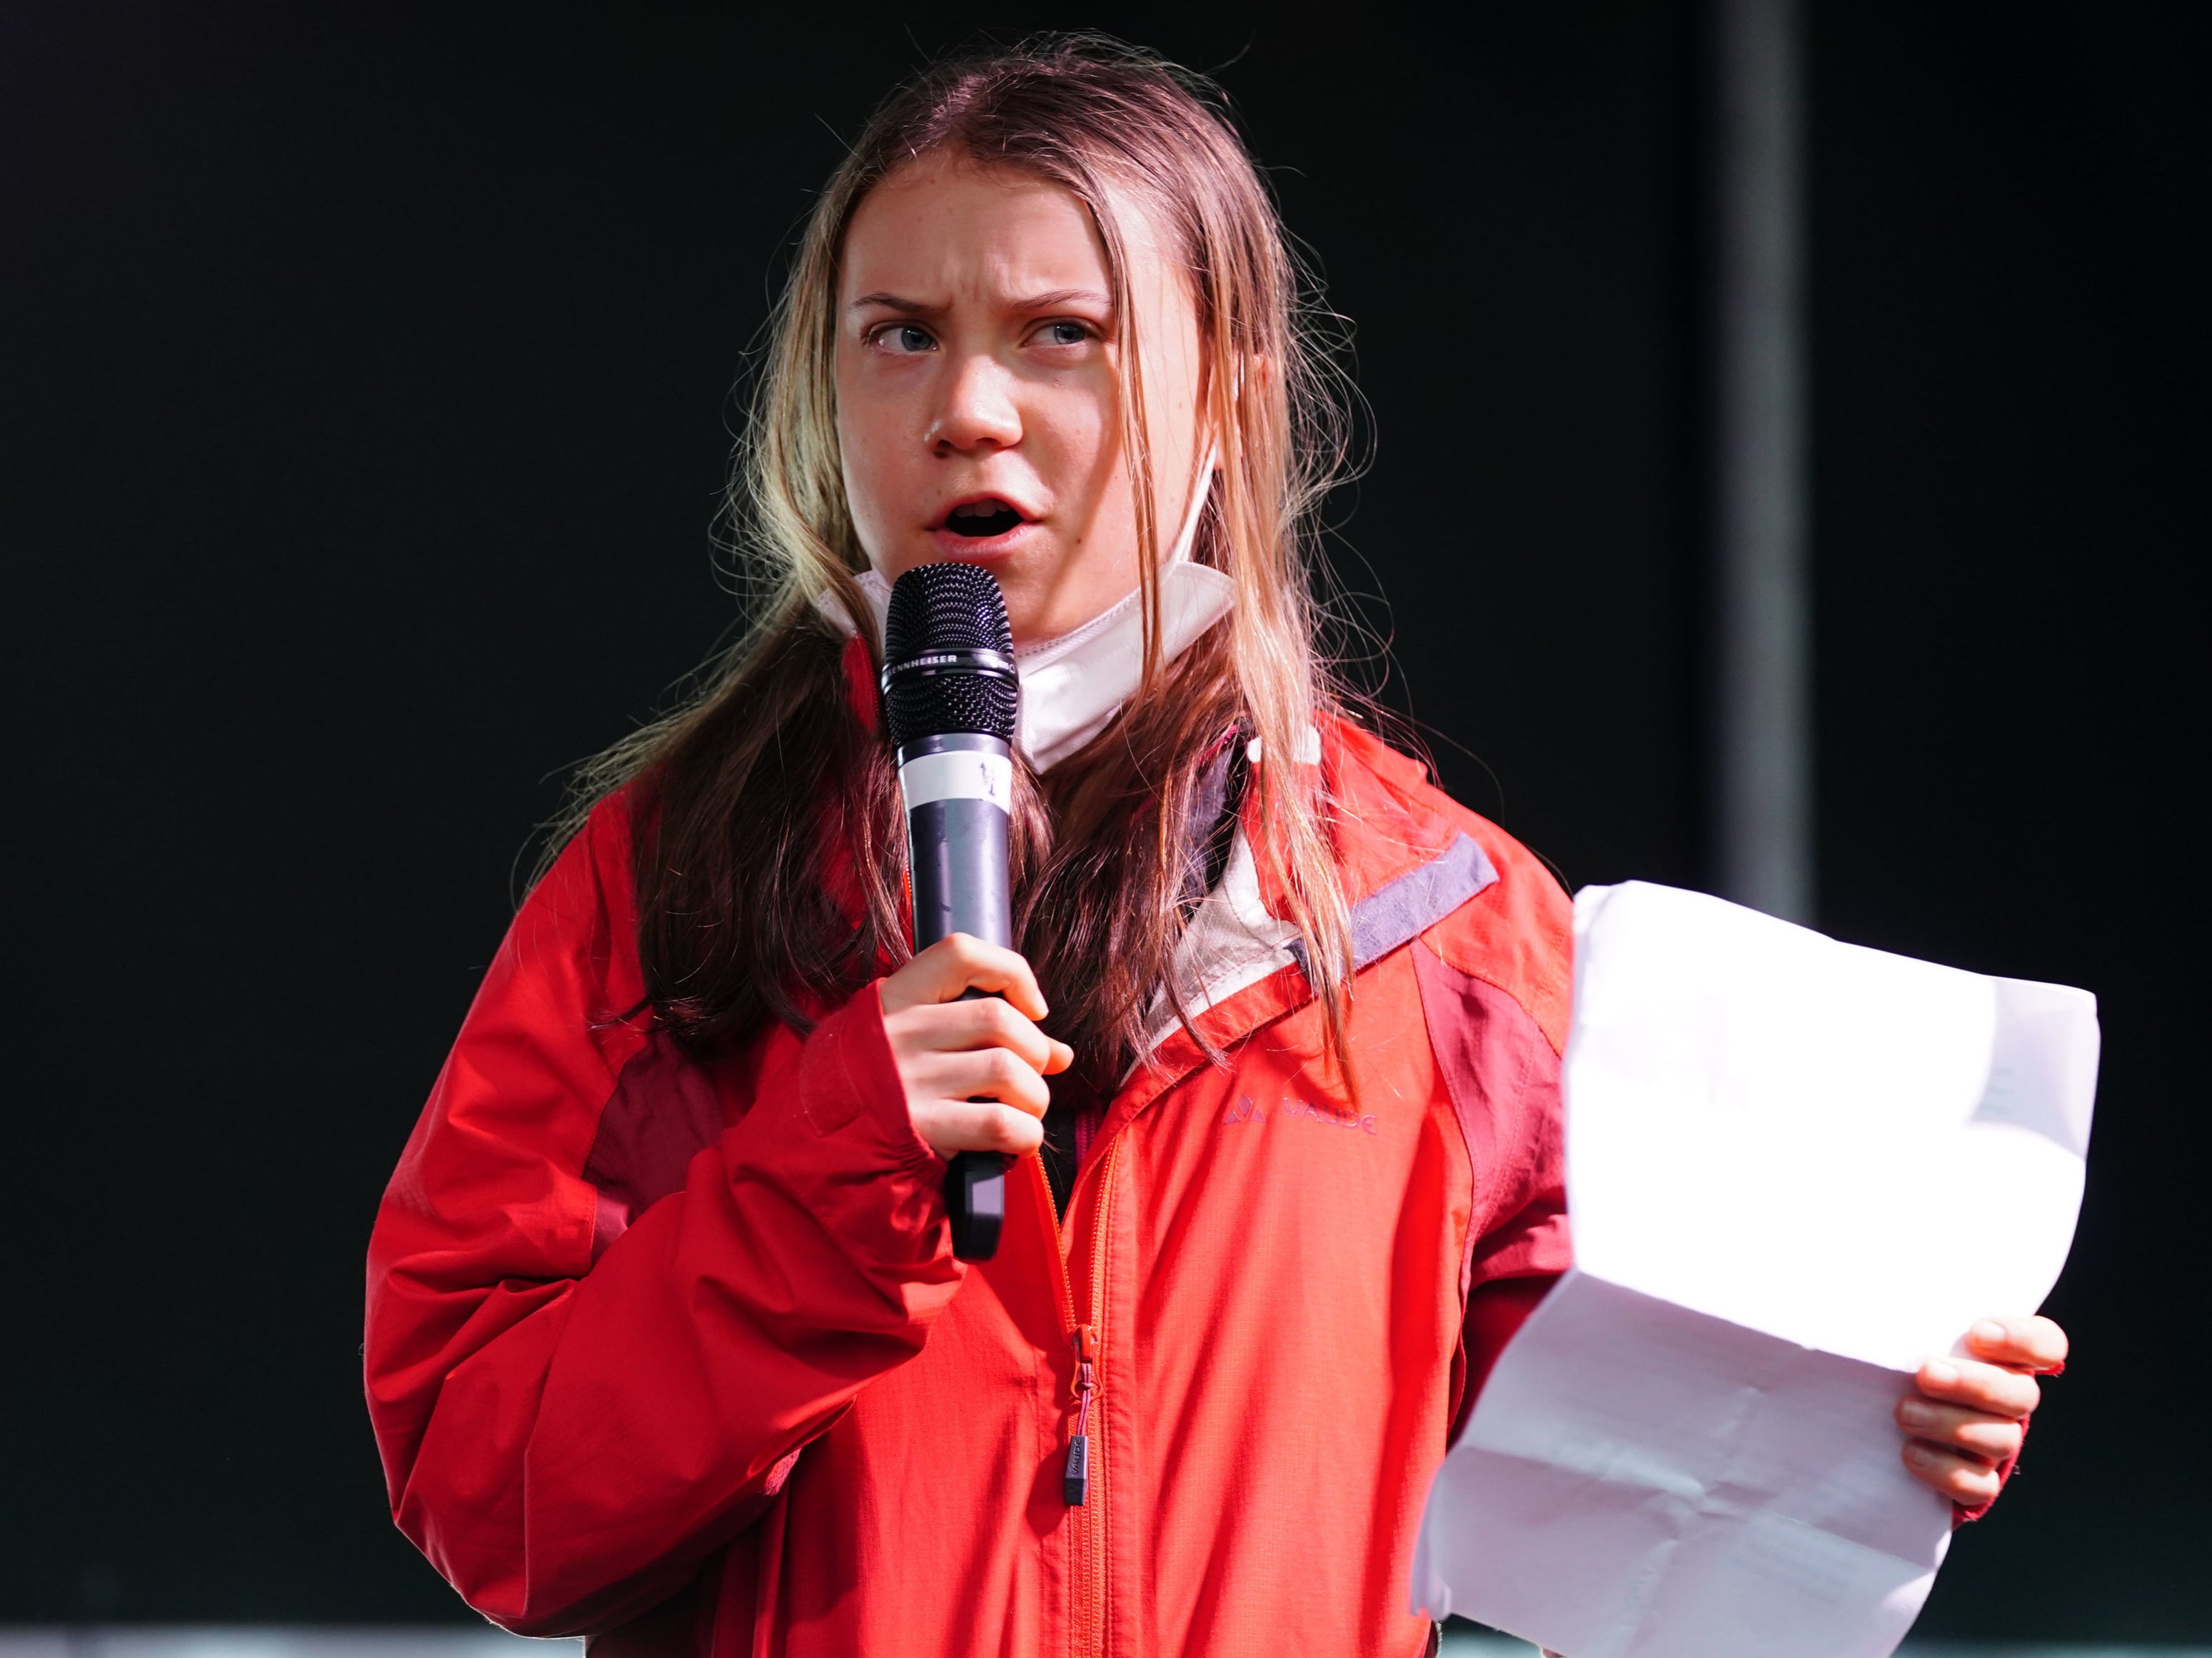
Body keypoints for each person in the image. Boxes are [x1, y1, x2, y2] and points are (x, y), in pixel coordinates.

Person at [363, 36, 2067, 1658]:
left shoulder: (1444, 932)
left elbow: (1616, 1536)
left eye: (1059, 335)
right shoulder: (660, 889)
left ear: (1234, 403)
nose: (968, 407)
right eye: (898, 334)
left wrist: (1853, 1439)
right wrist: (830, 1181)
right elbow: (483, 1488)